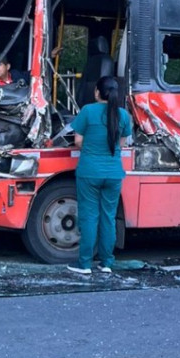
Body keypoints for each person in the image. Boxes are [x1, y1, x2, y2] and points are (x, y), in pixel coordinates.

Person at [67, 75, 131, 275]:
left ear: (97, 92)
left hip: (89, 172)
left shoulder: (87, 111)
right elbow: (121, 143)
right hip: (113, 173)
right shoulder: (123, 115)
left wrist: (92, 149)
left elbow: (77, 140)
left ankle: (85, 264)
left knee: (89, 216)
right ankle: (107, 263)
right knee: (108, 217)